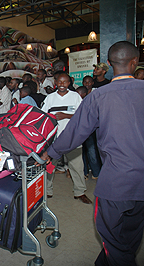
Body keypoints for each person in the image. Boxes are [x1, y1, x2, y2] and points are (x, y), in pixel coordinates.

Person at [41, 41, 144, 266]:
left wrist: (52, 152)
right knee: (131, 235)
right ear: (135, 63)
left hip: (115, 184)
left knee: (112, 239)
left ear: (108, 64)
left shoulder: (98, 96)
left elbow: (76, 131)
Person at [41, 73, 91, 204]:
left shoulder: (75, 97)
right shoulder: (50, 98)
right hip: (54, 139)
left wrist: (66, 116)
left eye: (65, 82)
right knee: (50, 166)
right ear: (55, 82)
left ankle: (80, 192)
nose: (62, 84)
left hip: (72, 137)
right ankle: (47, 191)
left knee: (77, 166)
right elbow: (43, 116)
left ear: (70, 83)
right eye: (60, 82)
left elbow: (82, 116)